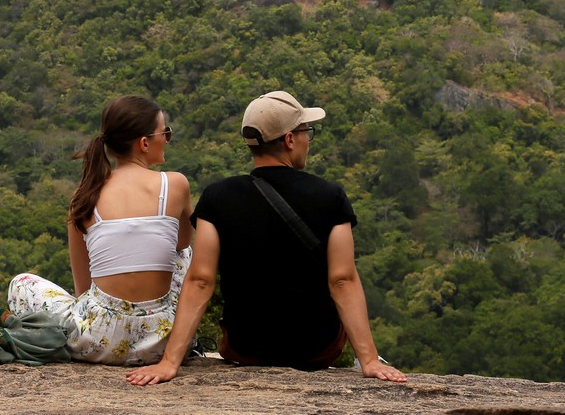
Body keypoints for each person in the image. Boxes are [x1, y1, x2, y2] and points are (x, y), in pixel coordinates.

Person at [126, 90, 407, 385]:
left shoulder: (217, 197)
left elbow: (200, 280)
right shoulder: (330, 196)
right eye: (305, 131)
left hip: (245, 348)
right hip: (318, 350)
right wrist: (370, 361)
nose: (307, 139)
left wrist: (170, 362)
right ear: (289, 140)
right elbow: (342, 280)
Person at [7, 95, 193, 365]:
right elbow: (182, 244)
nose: (167, 138)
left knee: (20, 284)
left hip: (94, 342)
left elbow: (83, 291)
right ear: (144, 143)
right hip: (160, 342)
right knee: (183, 253)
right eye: (165, 132)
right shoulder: (175, 185)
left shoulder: (84, 198)